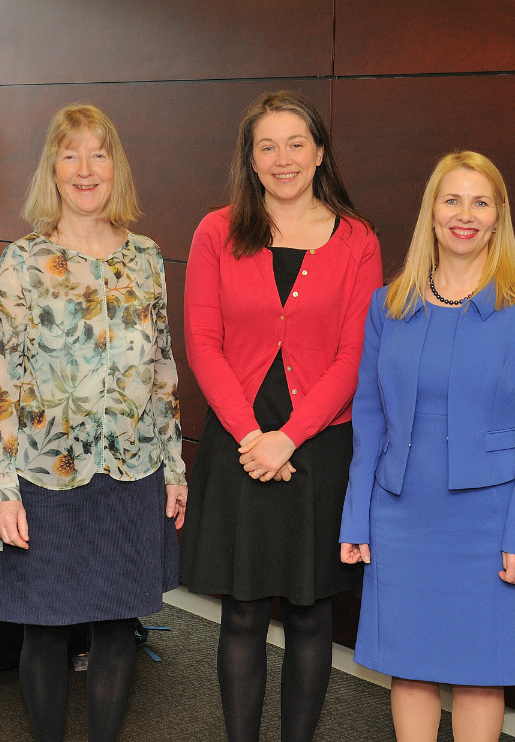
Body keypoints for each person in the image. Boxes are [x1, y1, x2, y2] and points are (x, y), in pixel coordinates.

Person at [0, 103, 187, 742]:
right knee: (43, 627)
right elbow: (0, 384)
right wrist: (1, 488)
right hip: (46, 475)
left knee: (117, 624)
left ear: (116, 167)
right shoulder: (23, 261)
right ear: (52, 169)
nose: (85, 168)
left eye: (98, 153)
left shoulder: (147, 258)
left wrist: (175, 467)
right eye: (70, 154)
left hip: (133, 471)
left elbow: (162, 369)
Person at [181, 90, 382, 741]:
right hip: (239, 441)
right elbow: (202, 343)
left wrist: (288, 438)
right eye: (267, 145)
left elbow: (357, 354)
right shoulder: (217, 230)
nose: (282, 158)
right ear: (251, 157)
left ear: (320, 151)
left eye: (296, 143)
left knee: (308, 612)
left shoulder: (357, 240)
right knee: (240, 611)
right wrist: (252, 437)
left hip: (319, 447)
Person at [340, 151, 515, 741]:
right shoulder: (388, 305)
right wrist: (356, 517)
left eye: (481, 202)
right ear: (432, 212)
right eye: (452, 199)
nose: (466, 214)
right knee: (407, 668)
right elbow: (369, 421)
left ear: (499, 217)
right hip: (401, 512)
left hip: (489, 522)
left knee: (478, 673)